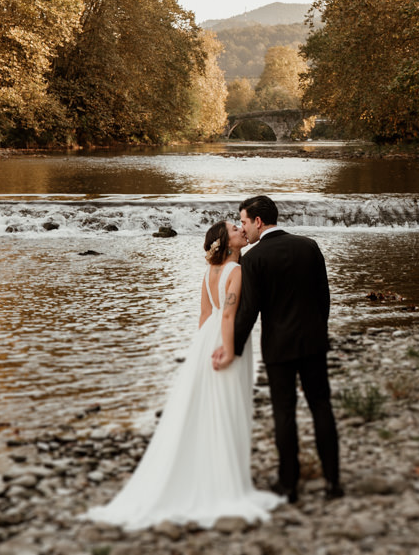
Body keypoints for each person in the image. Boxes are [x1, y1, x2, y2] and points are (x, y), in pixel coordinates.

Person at [83, 221, 283, 530]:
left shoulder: (208, 274)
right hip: (225, 340)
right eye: (234, 228)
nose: (241, 229)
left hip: (206, 341)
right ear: (225, 242)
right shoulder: (236, 271)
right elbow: (228, 315)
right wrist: (229, 349)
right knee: (228, 406)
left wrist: (200, 351)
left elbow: (205, 316)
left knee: (206, 407)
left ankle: (207, 472)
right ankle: (224, 480)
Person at [214, 194, 341, 503]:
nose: (243, 229)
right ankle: (333, 483)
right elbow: (324, 298)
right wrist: (318, 332)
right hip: (313, 341)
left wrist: (232, 349)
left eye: (244, 222)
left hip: (279, 347)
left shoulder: (254, 260)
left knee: (284, 414)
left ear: (258, 221)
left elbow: (248, 312)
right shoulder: (308, 246)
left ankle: (289, 484)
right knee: (321, 407)